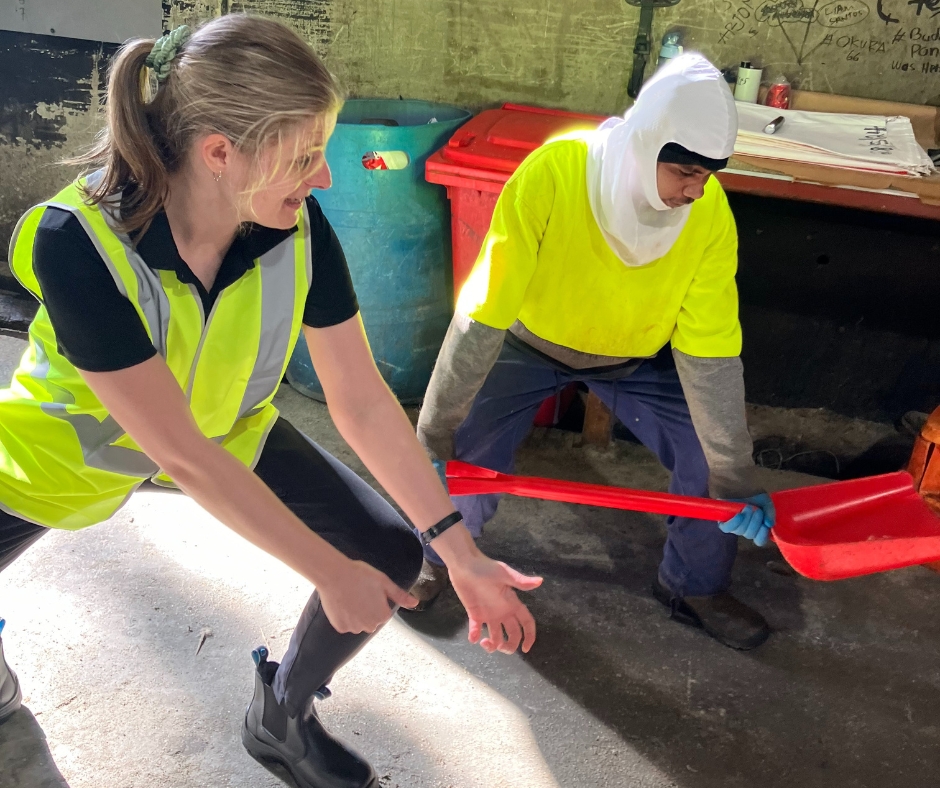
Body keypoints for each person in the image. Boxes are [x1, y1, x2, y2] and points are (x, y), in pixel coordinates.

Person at [0, 16, 541, 788]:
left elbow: (358, 398)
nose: (324, 179)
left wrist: (460, 552)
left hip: (230, 432)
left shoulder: (295, 227)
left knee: (387, 551)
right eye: (306, 157)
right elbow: (179, 455)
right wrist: (327, 570)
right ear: (220, 152)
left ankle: (281, 718)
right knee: (347, 567)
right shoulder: (77, 241)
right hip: (73, 449)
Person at [413, 53, 775, 651]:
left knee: (706, 460)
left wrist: (734, 478)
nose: (696, 190)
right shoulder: (554, 174)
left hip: (635, 360)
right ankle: (434, 557)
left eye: (708, 174)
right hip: (529, 343)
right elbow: (482, 313)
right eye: (685, 171)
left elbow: (711, 352)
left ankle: (695, 584)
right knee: (464, 456)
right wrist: (430, 438)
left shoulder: (708, 216)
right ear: (644, 144)